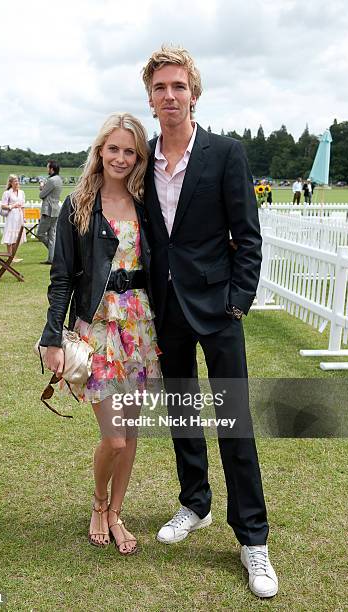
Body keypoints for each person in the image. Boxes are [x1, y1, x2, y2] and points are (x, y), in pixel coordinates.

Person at [141, 45, 278, 598]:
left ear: (194, 93)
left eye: (179, 86)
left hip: (219, 310)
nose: (170, 96)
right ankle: (193, 502)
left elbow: (248, 235)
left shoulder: (225, 154)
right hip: (165, 309)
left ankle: (253, 539)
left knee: (235, 423)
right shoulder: (142, 159)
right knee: (181, 413)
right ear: (149, 99)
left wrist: (238, 301)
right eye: (160, 88)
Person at [39, 113, 161, 555]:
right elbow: (61, 278)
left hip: (141, 328)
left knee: (130, 434)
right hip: (98, 328)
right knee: (112, 436)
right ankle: (97, 503)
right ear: (100, 150)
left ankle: (116, 513)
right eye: (114, 149)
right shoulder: (79, 203)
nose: (122, 158)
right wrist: (52, 337)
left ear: (139, 156)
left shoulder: (148, 204)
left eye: (131, 151)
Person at [37, 160, 63, 264]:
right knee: (52, 235)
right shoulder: (59, 179)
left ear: (52, 169)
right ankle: (52, 259)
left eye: (48, 167)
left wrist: (42, 186)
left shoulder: (51, 180)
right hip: (56, 210)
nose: (47, 169)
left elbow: (42, 195)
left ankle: (55, 254)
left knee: (40, 233)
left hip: (48, 211)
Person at [1, 175, 26, 258]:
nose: (17, 183)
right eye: (15, 181)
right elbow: (3, 206)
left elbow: (23, 206)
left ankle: (13, 256)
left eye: (17, 181)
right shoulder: (7, 193)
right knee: (10, 235)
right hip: (11, 216)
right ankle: (10, 255)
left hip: (19, 216)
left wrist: (24, 217)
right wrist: (12, 206)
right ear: (11, 183)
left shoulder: (22, 192)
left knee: (17, 236)